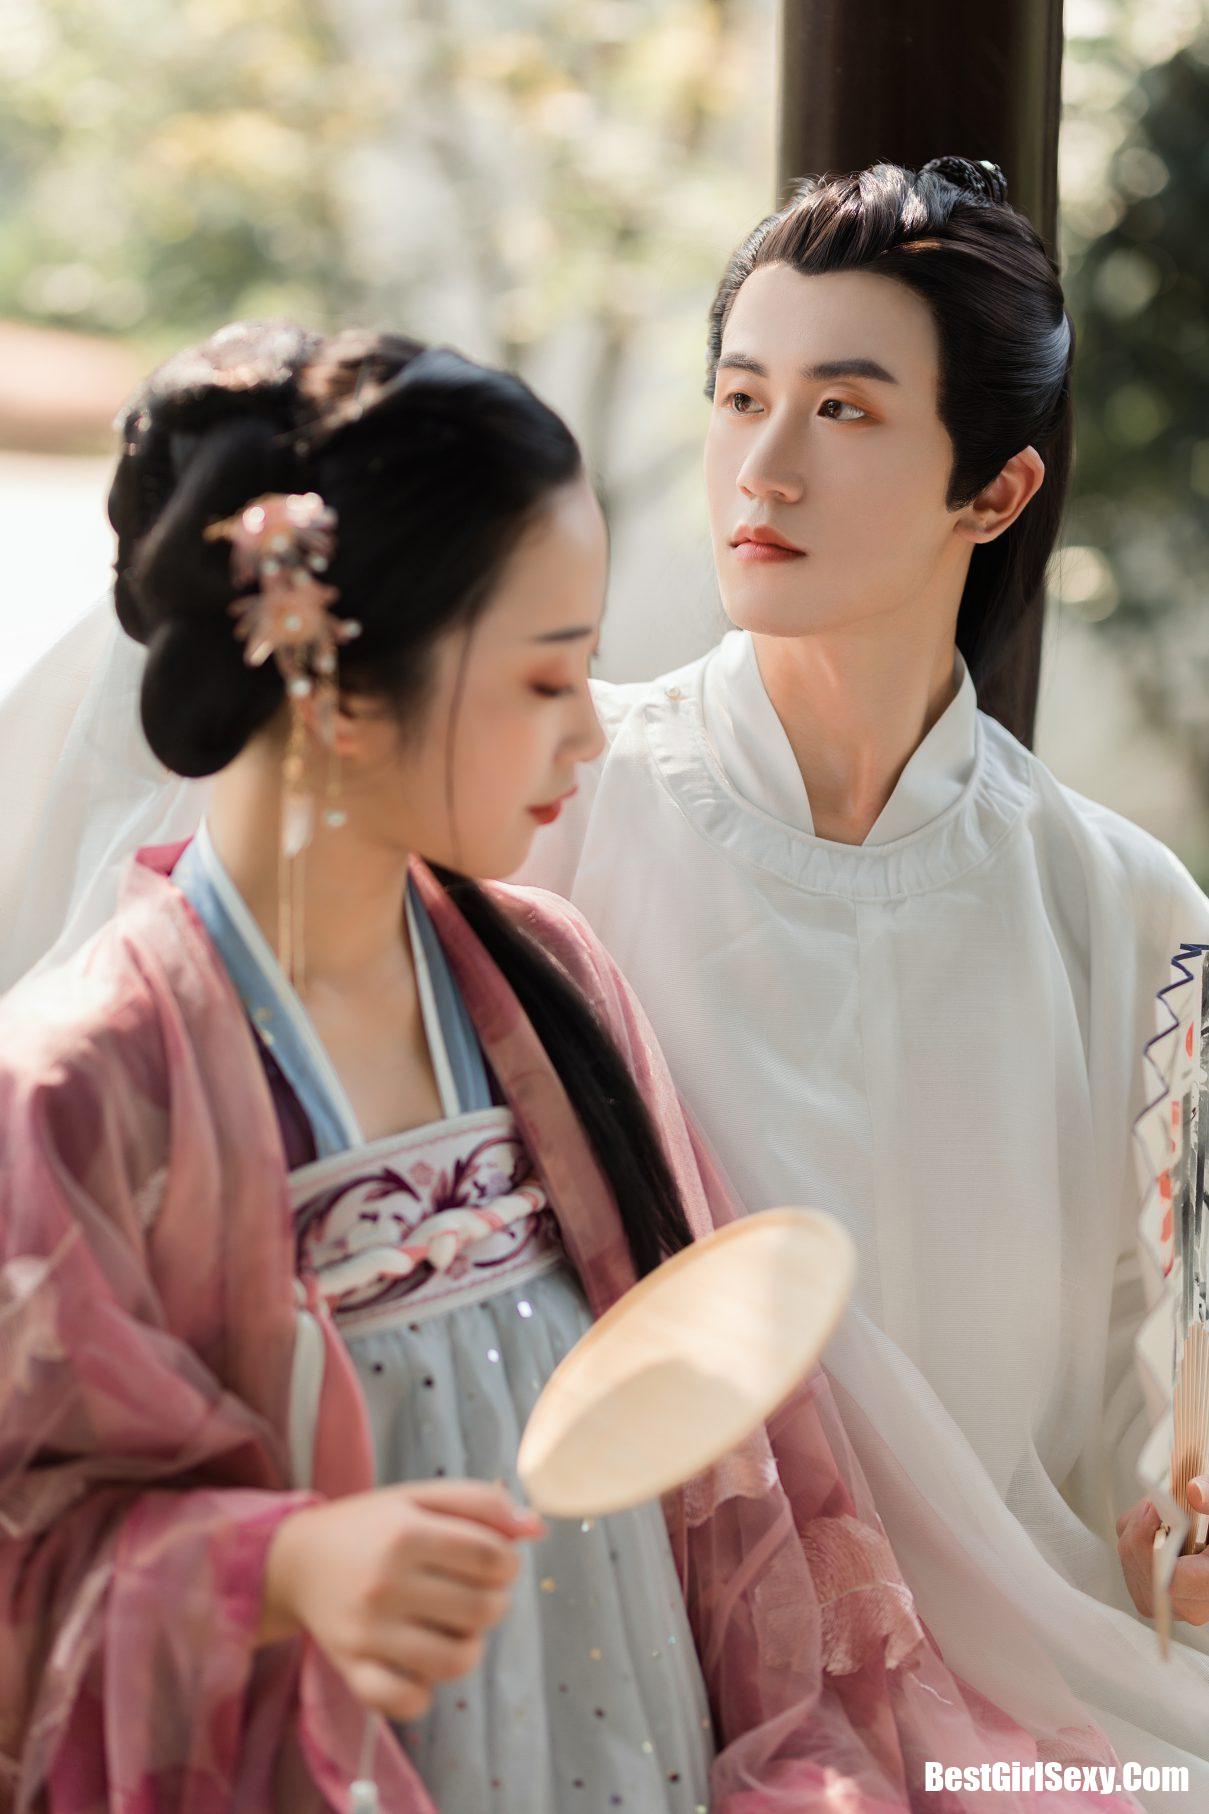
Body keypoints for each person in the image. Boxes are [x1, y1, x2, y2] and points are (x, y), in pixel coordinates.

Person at [0, 321, 1135, 1813]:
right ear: (340, 680)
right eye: (547, 680)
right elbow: (27, 1555)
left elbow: (736, 1459)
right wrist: (279, 1566)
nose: (591, 735)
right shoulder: (84, 1080)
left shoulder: (550, 981)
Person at [509, 160, 1209, 1801]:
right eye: (738, 396)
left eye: (843, 409)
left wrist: (1173, 1519)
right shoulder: (555, 806)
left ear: (997, 488)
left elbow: (1157, 1376)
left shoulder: (1121, 906)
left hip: (1019, 1695)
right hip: (613, 1661)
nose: (763, 466)